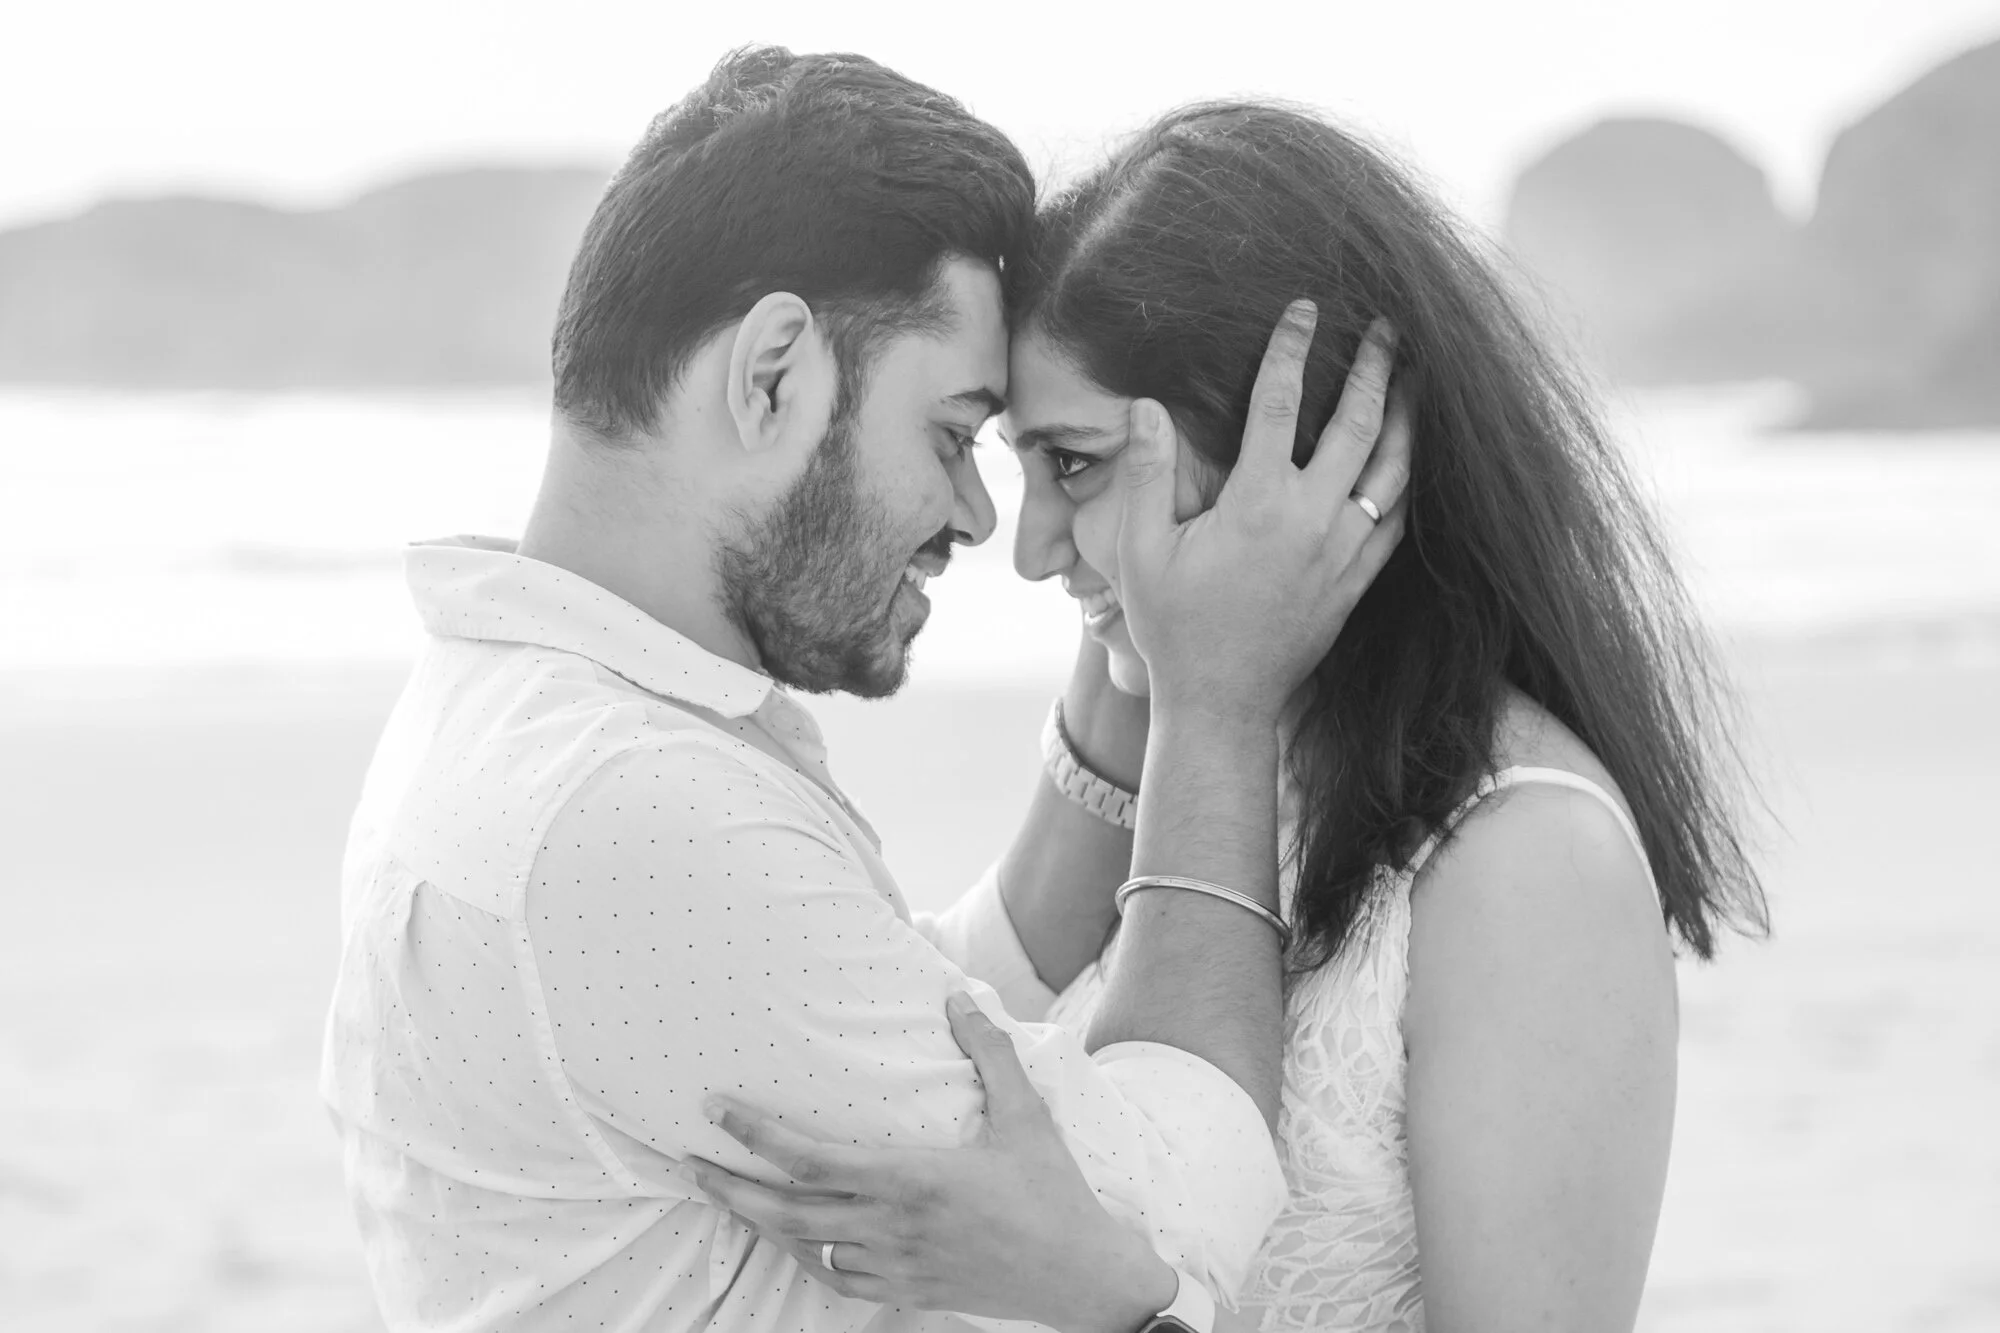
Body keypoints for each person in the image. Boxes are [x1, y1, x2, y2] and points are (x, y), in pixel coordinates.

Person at [320, 54, 1409, 1333]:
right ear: (774, 372)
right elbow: (1179, 1201)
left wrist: (1121, 686)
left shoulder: (528, 708)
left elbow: (893, 1010)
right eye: (953, 435)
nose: (980, 516)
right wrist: (1214, 696)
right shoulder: (632, 814)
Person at [687, 102, 1771, 1332]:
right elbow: (960, 1007)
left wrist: (1112, 1305)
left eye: (1077, 464)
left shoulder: (1527, 861)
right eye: (1014, 462)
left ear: (1295, 447)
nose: (1032, 548)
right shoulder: (1207, 751)